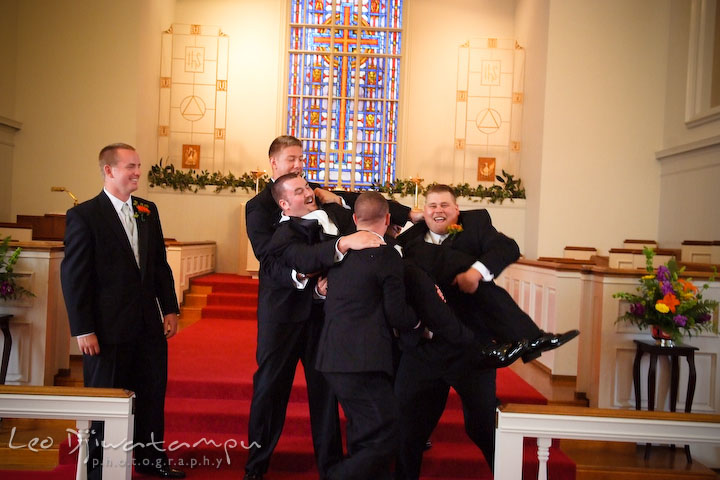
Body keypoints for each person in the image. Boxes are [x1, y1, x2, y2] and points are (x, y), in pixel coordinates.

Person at [244, 138, 384, 480]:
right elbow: (270, 261)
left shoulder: (319, 196)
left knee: (325, 393)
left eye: (302, 160)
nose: (298, 166)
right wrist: (307, 275)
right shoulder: (259, 208)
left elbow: (365, 210)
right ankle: (255, 467)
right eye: (292, 159)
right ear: (273, 163)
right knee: (270, 389)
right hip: (282, 314)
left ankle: (331, 467)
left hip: (323, 315)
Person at [61, 143, 184, 479]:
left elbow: (159, 265)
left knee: (151, 396)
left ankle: (150, 461)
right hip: (106, 331)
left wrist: (170, 309)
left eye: (139, 166)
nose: (137, 173)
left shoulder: (148, 210)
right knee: (105, 402)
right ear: (109, 170)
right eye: (130, 166)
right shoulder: (85, 215)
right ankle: (99, 468)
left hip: (148, 326)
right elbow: (74, 277)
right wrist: (83, 328)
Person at [397, 183, 579, 361]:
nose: (438, 210)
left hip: (477, 335)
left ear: (457, 209)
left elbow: (507, 248)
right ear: (424, 211)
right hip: (434, 339)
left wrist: (475, 273)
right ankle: (531, 339)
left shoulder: (474, 224)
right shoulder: (408, 240)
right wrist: (406, 216)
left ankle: (531, 339)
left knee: (477, 277)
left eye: (444, 205)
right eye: (432, 206)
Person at [316, 192, 419, 480]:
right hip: (362, 360)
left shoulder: (339, 251)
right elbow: (397, 314)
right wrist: (420, 319)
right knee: (387, 432)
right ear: (387, 220)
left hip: (331, 355)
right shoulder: (385, 254)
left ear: (354, 219)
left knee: (364, 432)